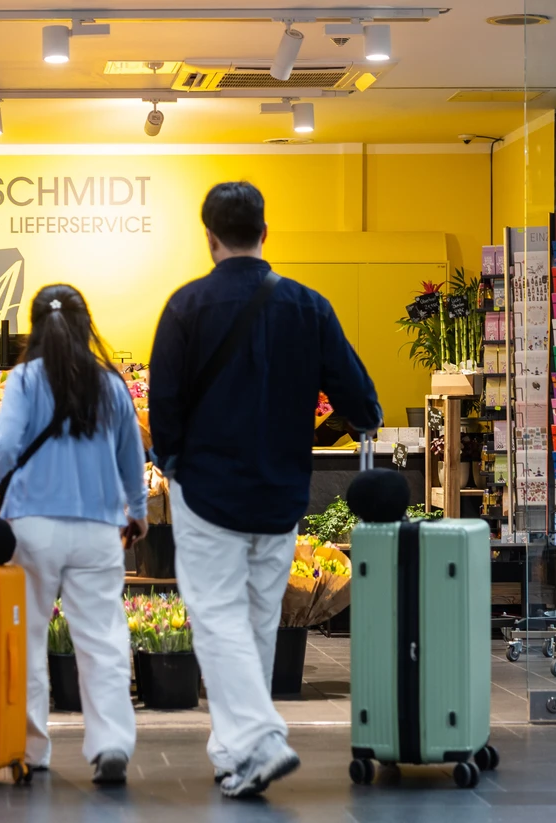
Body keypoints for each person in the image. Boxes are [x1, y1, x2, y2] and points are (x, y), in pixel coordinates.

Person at [148, 181, 382, 799]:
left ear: (209, 236)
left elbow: (163, 404)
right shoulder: (309, 306)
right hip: (281, 493)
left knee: (218, 619)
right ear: (265, 233)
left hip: (207, 493)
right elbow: (361, 399)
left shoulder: (185, 307)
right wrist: (355, 423)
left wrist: (172, 464)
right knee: (254, 619)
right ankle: (235, 756)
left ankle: (261, 735)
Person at [0, 283, 147, 786]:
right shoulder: (111, 384)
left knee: (25, 639)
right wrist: (138, 511)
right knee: (103, 640)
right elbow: (132, 456)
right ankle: (110, 744)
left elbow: (2, 445)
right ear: (87, 325)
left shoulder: (24, 379)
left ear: (35, 327)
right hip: (98, 531)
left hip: (33, 530)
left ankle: (31, 749)